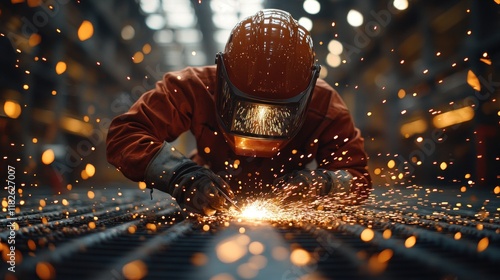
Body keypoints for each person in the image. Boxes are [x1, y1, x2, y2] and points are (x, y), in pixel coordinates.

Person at [106, 9, 372, 216]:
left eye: (278, 115)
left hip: (286, 200)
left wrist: (319, 184)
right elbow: (124, 136)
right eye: (246, 109)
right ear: (221, 77)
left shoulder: (325, 106)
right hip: (208, 192)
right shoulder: (194, 88)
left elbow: (357, 178)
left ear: (307, 91)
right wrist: (181, 175)